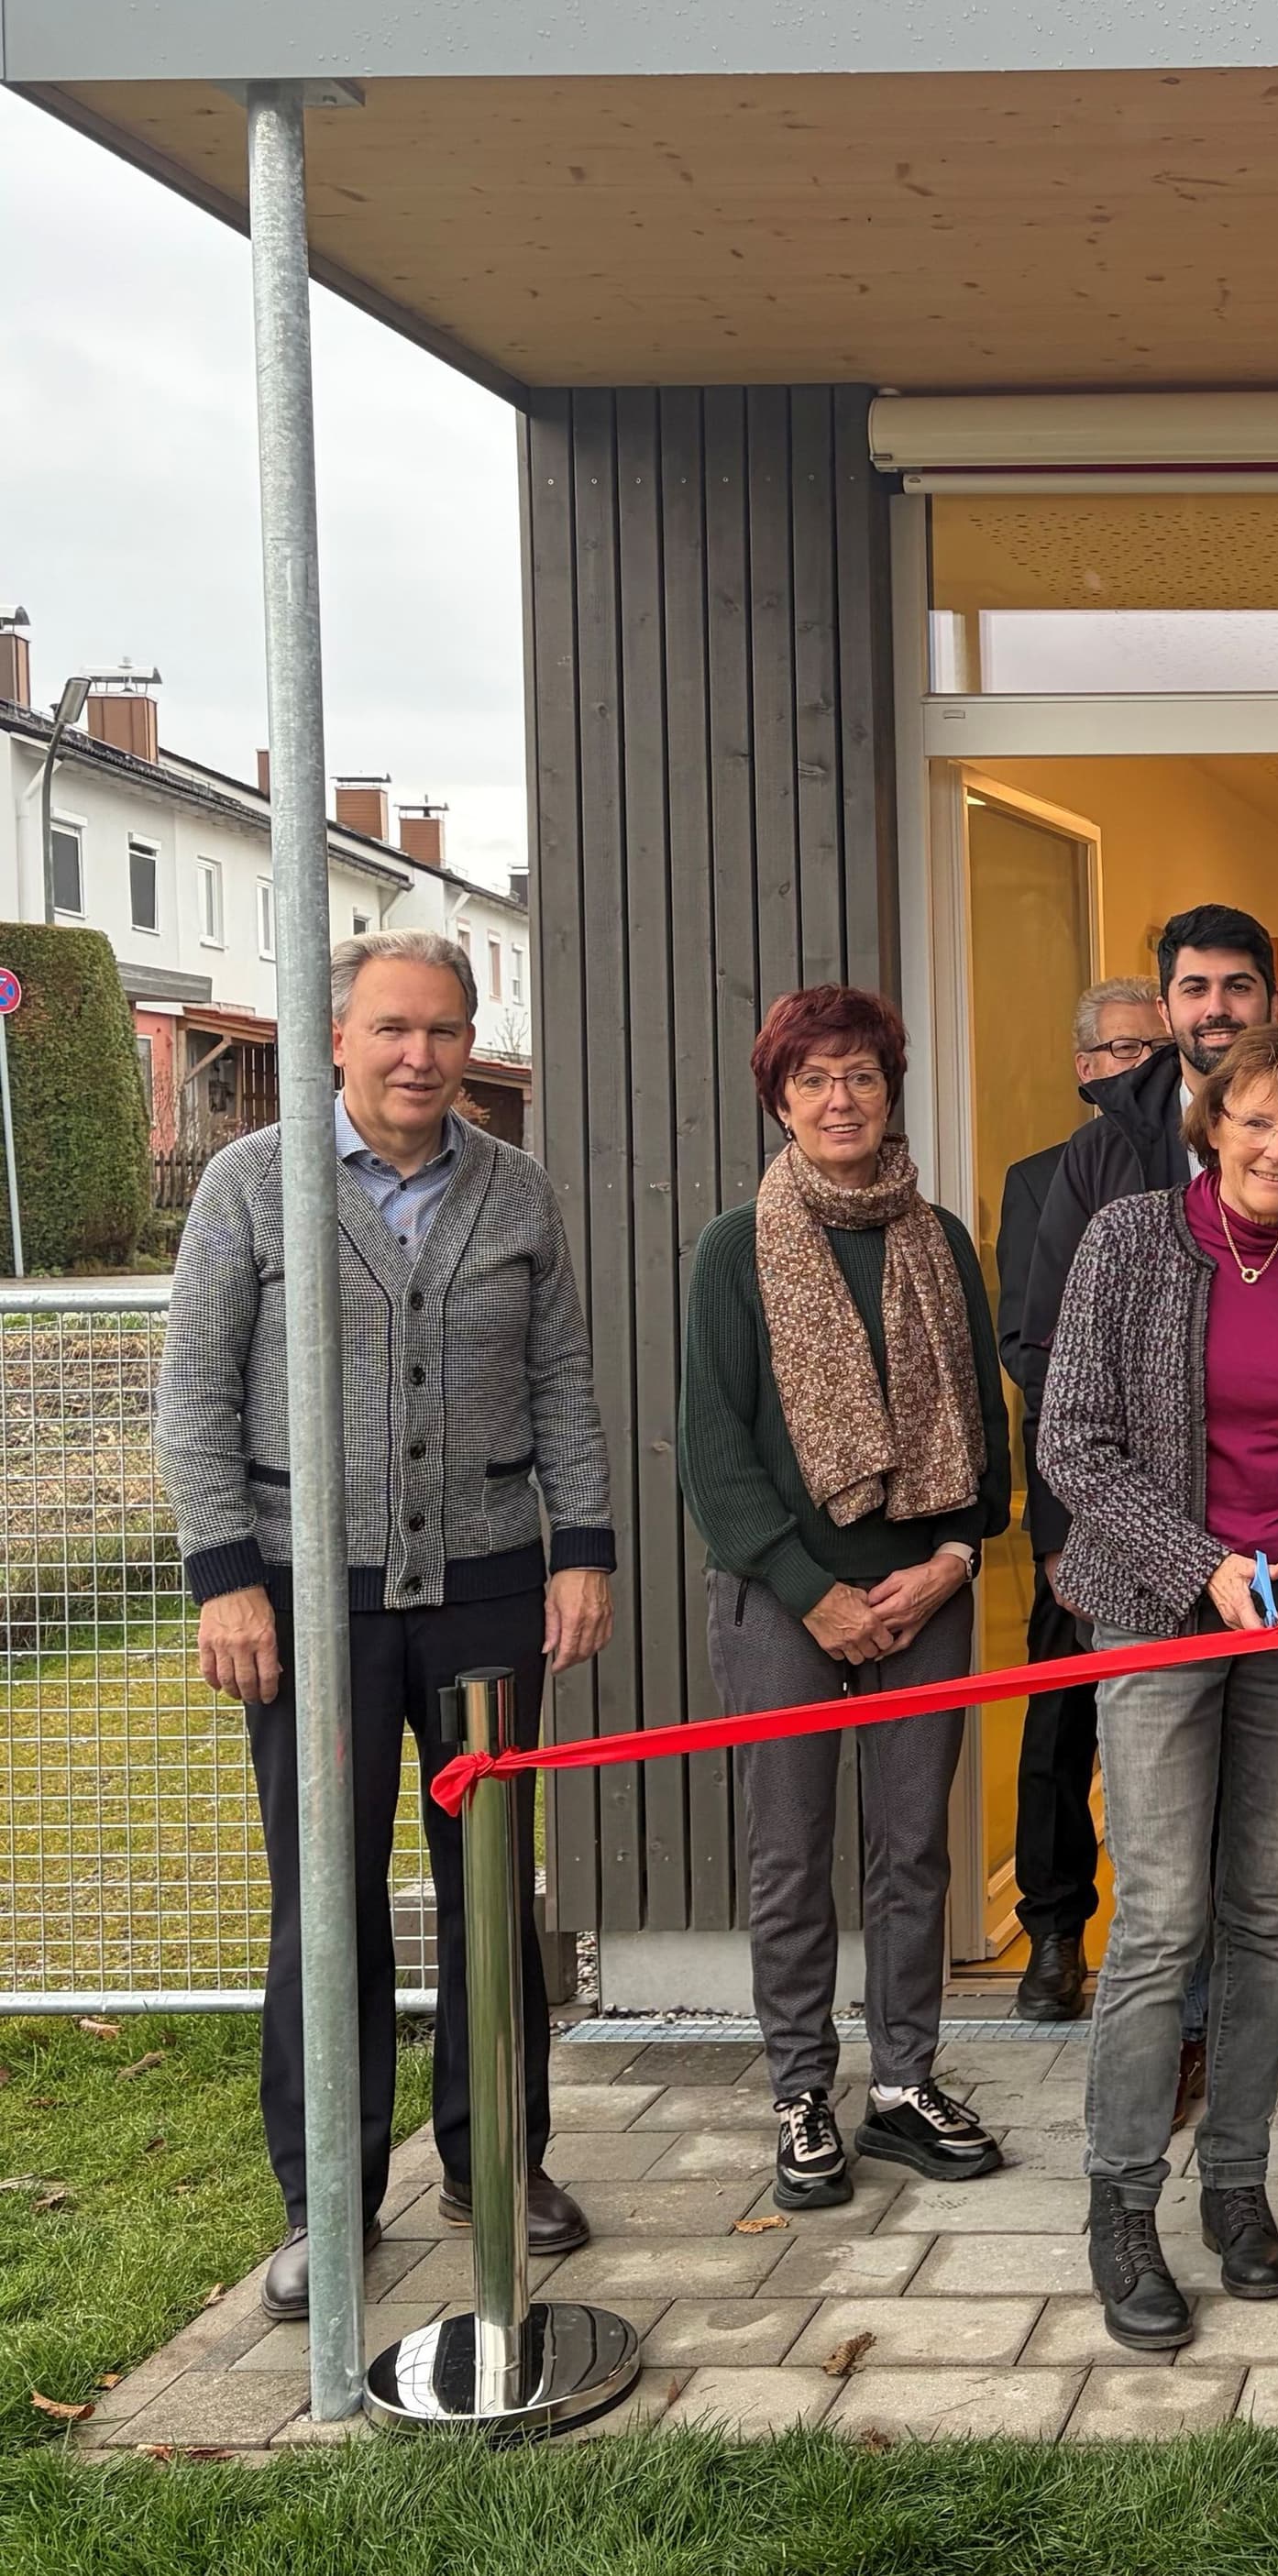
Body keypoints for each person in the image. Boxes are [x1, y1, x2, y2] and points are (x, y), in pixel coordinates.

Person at [159, 930, 616, 2321]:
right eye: (394, 1029)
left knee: (493, 1891)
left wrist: (581, 1551)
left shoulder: (517, 1193)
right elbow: (195, 1396)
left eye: (445, 1030)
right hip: (307, 1598)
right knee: (327, 1898)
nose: (421, 1054)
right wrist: (227, 1573)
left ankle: (496, 2162)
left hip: (485, 1586)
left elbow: (561, 1389)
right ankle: (329, 2200)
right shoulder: (253, 1188)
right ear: (338, 1039)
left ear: (471, 1044)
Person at [1040, 1023, 1278, 2350]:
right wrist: (1204, 1566)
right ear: (1211, 1122)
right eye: (1256, 1120)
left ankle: (1238, 2186)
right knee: (1161, 1919)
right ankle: (1123, 2202)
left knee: (1264, 1910)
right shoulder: (1129, 1241)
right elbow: (1073, 1439)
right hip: (1154, 1615)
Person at [678, 985, 1012, 2219]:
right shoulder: (734, 1248)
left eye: (862, 1075)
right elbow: (712, 1448)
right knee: (788, 1852)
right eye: (813, 1078)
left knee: (912, 1844)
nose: (839, 1099)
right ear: (779, 1097)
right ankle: (802, 2090)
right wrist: (812, 1591)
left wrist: (953, 1559)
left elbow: (984, 1428)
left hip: (928, 1592)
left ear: (891, 1089)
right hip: (785, 1603)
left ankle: (905, 2080)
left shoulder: (941, 1243)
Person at [997, 977, 1172, 2027]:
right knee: (1062, 1722)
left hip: (1204, 1512)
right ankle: (1055, 1929)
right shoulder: (1043, 1180)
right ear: (1082, 1066)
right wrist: (1059, 1525)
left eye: (1155, 1046)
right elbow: (1039, 1359)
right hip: (1086, 1501)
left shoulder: (1220, 1160)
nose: (1140, 1066)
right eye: (1119, 1049)